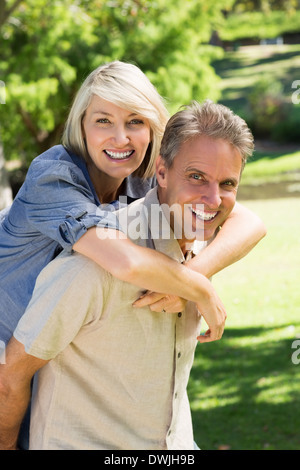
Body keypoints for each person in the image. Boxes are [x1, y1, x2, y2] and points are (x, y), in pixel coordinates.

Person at [0, 101, 263, 450]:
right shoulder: (96, 263)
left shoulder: (196, 244)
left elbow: (251, 223)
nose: (212, 199)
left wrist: (193, 278)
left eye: (227, 183)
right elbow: (11, 375)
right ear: (162, 172)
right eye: (196, 176)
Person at [0, 61, 266, 352]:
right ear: (82, 126)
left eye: (135, 121)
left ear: (152, 128)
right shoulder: (53, 178)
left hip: (45, 355)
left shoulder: (143, 179)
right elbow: (123, 260)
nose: (120, 138)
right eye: (103, 121)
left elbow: (249, 222)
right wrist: (198, 289)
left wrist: (195, 272)